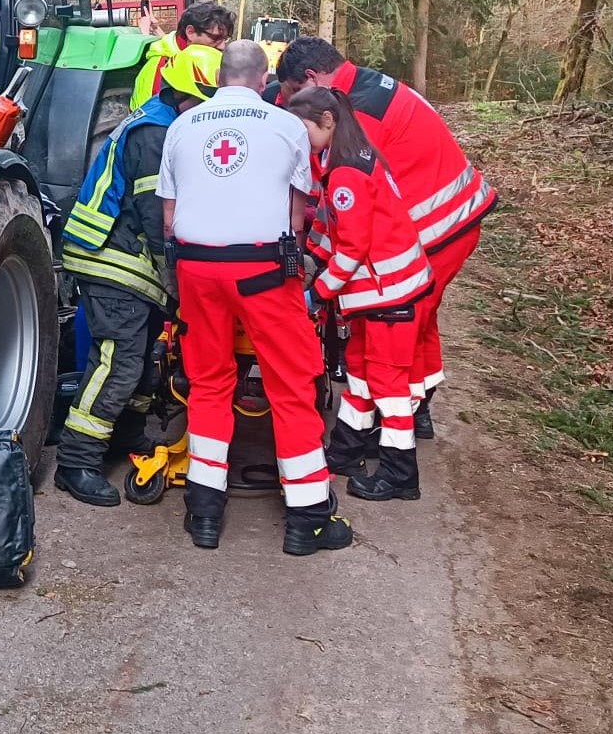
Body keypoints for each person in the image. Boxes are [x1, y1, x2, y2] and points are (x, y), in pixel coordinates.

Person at [159, 39, 352, 556]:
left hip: (197, 268)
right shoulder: (286, 125)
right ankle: (308, 520)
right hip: (264, 269)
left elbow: (170, 220)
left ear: (221, 75)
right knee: (291, 383)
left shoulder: (181, 127)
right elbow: (296, 214)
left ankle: (203, 512)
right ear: (263, 76)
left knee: (208, 383)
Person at [275, 37, 495, 438]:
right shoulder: (362, 87)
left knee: (392, 332)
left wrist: (320, 274)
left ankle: (393, 424)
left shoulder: (353, 117)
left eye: (294, 98)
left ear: (310, 78)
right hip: (454, 219)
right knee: (420, 322)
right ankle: (418, 409)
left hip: (435, 226)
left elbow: (347, 205)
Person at [287, 86, 433, 501]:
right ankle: (347, 450)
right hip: (384, 295)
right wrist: (311, 254)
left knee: (389, 388)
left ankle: (400, 474)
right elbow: (333, 228)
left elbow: (353, 247)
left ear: (327, 122)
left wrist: (317, 294)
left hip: (389, 297)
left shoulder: (347, 172)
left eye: (304, 130)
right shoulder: (350, 158)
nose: (302, 139)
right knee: (361, 374)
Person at [56, 94, 177, 507]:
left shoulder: (158, 119)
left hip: (120, 254)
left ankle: (126, 432)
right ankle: (76, 460)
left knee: (142, 358)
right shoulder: (155, 134)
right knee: (119, 363)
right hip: (112, 256)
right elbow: (158, 217)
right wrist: (175, 280)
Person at [131, 0, 233, 110]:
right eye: (216, 38)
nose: (222, 46)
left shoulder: (183, 53)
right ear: (190, 32)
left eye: (225, 39)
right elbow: (157, 114)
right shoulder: (164, 67)